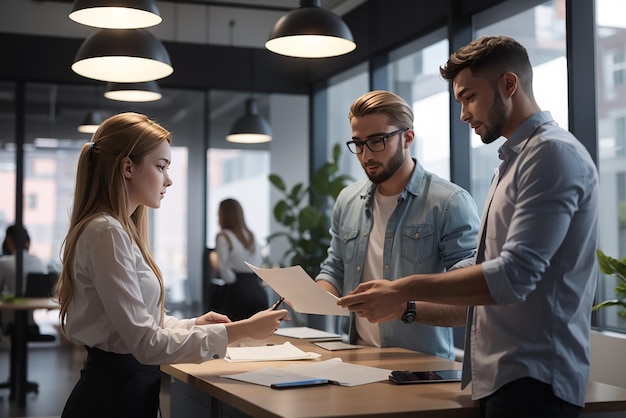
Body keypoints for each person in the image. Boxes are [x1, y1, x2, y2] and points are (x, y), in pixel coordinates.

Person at [338, 36, 600, 418]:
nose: (462, 114)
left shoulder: (551, 154)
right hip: (501, 377)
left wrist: (402, 289)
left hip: (536, 380)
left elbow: (512, 276)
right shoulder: (511, 162)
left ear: (509, 85)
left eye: (469, 97)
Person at [55, 112, 286, 418]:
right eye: (161, 166)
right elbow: (146, 343)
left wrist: (193, 324)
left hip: (125, 390)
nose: (169, 179)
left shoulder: (116, 231)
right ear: (128, 167)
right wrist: (241, 331)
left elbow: (141, 324)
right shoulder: (107, 233)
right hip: (112, 399)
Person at [315, 90, 480, 360]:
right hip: (354, 359)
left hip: (419, 368)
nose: (366, 155)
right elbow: (334, 269)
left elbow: (468, 300)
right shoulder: (348, 199)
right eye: (358, 143)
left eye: (377, 141)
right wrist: (310, 296)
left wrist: (405, 308)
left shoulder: (449, 202)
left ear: (408, 137)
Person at [211, 198, 268, 321]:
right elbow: (259, 262)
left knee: (235, 334)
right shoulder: (250, 235)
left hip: (237, 292)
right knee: (258, 334)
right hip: (257, 290)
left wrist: (232, 283)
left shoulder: (223, 236)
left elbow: (225, 271)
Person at [0, 224, 46, 331]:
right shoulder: (38, 261)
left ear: (9, 240)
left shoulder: (4, 263)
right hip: (31, 324)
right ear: (28, 242)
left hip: (8, 324)